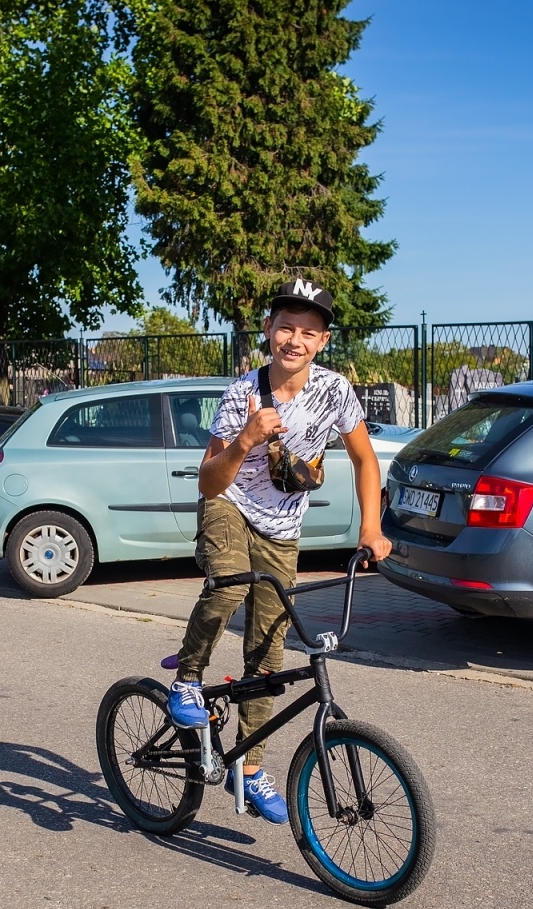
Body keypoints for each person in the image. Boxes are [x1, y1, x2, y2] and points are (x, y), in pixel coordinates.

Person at [167, 279, 393, 824]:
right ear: (268, 331)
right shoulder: (240, 393)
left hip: (283, 528)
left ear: (322, 341)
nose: (295, 340)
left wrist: (371, 527)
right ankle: (187, 678)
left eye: (308, 332)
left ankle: (249, 768)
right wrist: (245, 438)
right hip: (231, 506)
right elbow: (208, 484)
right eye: (286, 327)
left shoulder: (336, 391)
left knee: (269, 648)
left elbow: (365, 460)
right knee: (229, 584)